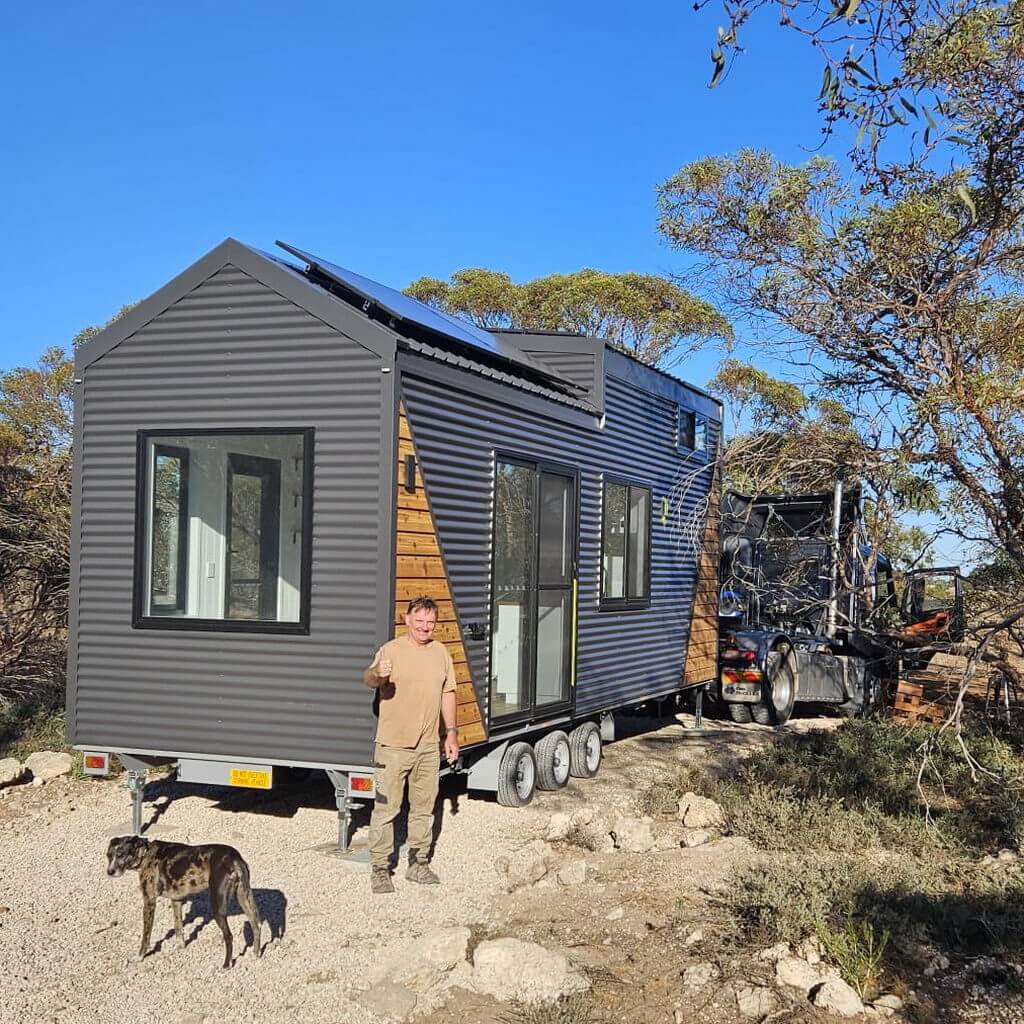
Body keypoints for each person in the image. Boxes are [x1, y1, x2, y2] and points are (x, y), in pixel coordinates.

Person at [362, 595, 460, 894]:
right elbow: (369, 678)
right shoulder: (391, 650)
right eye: (419, 621)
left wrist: (452, 733)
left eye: (430, 622)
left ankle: (419, 864)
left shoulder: (441, 653)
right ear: (408, 620)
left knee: (424, 809)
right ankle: (380, 869)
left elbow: (448, 693)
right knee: (385, 810)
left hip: (429, 745)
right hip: (392, 746)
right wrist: (378, 674)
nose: (425, 627)